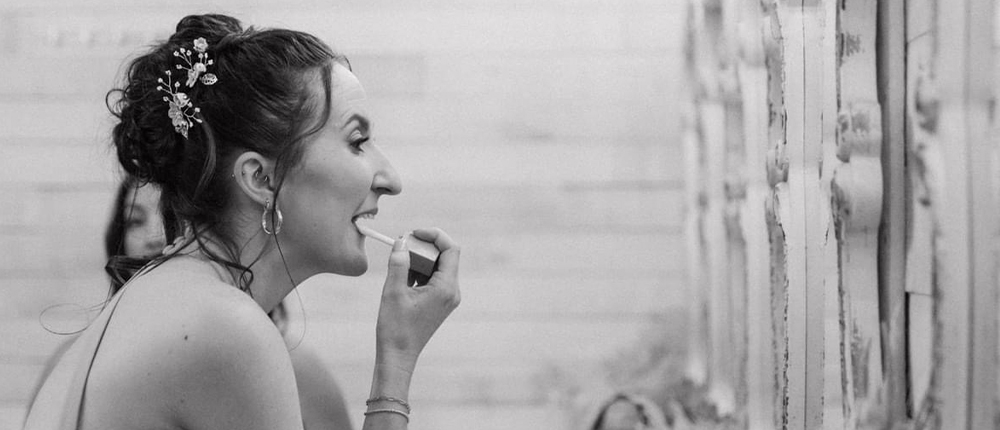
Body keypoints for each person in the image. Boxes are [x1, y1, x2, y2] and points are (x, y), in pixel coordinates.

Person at [24, 13, 461, 430]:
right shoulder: (226, 328)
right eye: (358, 141)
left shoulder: (158, 296)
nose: (390, 180)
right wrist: (396, 360)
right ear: (260, 179)